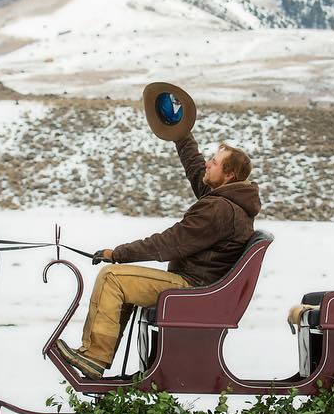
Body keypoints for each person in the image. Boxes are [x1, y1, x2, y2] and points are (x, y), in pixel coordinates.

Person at [55, 134, 261, 378]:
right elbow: (196, 169)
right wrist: (182, 135)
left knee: (113, 277)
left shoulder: (219, 209)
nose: (207, 163)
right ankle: (97, 355)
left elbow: (170, 242)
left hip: (193, 287)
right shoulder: (225, 201)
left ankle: (95, 356)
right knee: (120, 279)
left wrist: (118, 254)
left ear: (229, 176)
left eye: (214, 162)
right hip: (198, 284)